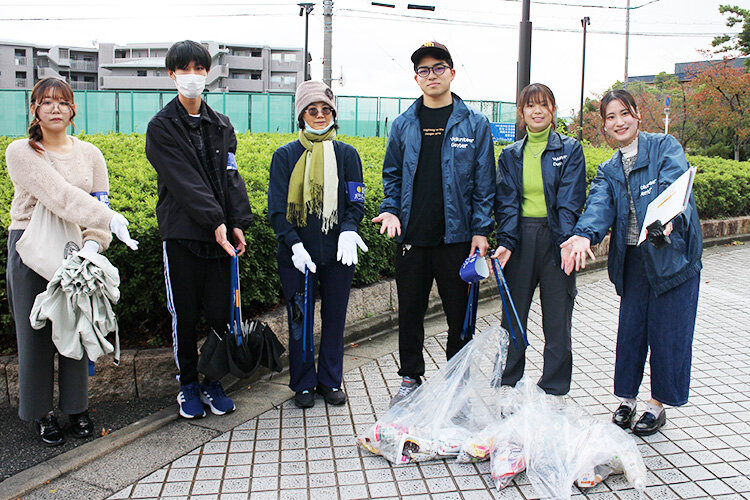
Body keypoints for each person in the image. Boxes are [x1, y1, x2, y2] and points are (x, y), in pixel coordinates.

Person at [561, 89, 702, 436]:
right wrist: (583, 234)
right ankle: (627, 400)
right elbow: (598, 206)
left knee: (669, 333)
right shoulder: (609, 169)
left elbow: (674, 183)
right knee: (632, 332)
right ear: (605, 126)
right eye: (610, 117)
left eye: (624, 113)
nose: (619, 121)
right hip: (634, 260)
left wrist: (668, 217)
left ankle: (657, 406)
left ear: (638, 115)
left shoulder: (663, 147)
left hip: (672, 257)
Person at [5, 77, 138, 446]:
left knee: (79, 328)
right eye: (45, 102)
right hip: (31, 246)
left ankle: (77, 407)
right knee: (34, 335)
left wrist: (95, 243)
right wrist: (107, 219)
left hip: (76, 250)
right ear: (33, 108)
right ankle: (41, 413)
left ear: (73, 109)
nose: (54, 108)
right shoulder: (22, 151)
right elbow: (59, 196)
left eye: (62, 102)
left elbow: (101, 204)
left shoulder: (91, 153)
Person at [372, 42, 495, 407]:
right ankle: (410, 378)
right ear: (416, 78)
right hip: (412, 238)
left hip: (457, 240)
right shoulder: (404, 124)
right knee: (410, 312)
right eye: (424, 70)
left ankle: (459, 385)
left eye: (439, 68)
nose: (432, 76)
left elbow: (485, 183)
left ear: (452, 73)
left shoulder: (474, 123)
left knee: (460, 316)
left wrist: (480, 230)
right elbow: (391, 175)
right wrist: (391, 209)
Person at [145, 40, 253, 419]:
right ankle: (188, 384)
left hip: (221, 237)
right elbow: (184, 181)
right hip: (182, 235)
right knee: (186, 315)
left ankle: (212, 379)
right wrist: (217, 222)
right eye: (184, 69)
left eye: (199, 68)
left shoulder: (221, 124)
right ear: (171, 74)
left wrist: (238, 222)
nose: (192, 76)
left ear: (208, 73)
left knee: (221, 314)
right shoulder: (161, 127)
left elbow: (231, 176)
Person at [268, 80, 367, 409]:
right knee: (300, 319)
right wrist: (294, 244)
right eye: (313, 110)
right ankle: (303, 383)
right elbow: (277, 210)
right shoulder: (285, 156)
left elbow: (356, 200)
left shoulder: (347, 154)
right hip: (296, 256)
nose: (320, 115)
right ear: (302, 114)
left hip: (338, 253)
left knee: (336, 317)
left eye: (326, 109)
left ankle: (330, 380)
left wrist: (349, 229)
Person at [492, 83, 587, 396]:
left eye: (543, 105)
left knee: (558, 319)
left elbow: (571, 199)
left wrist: (568, 241)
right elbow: (505, 202)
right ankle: (508, 382)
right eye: (530, 106)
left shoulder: (570, 149)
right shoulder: (510, 155)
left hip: (557, 239)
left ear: (553, 111)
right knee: (513, 317)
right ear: (521, 113)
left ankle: (554, 387)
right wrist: (506, 241)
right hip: (520, 239)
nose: (537, 111)